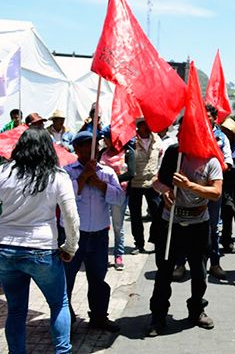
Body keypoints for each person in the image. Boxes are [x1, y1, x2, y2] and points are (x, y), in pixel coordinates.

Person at [0, 128, 80, 354]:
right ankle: (62, 352)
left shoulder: (3, 173)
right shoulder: (56, 175)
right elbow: (71, 217)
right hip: (41, 249)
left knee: (16, 310)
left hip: (5, 249)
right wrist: (70, 247)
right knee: (59, 304)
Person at [147, 133, 223, 336]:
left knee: (199, 273)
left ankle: (197, 310)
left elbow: (216, 193)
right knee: (164, 272)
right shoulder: (173, 154)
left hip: (198, 225)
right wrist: (164, 191)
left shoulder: (211, 160)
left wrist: (189, 186)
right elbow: (156, 181)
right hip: (170, 223)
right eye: (182, 134)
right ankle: (158, 317)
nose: (184, 139)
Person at [63, 130, 124, 332]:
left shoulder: (106, 172)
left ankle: (99, 316)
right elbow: (66, 196)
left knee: (98, 279)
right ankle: (66, 320)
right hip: (73, 236)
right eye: (86, 145)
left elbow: (119, 198)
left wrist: (98, 183)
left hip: (98, 236)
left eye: (94, 145)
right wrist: (83, 177)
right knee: (66, 280)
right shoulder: (67, 171)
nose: (92, 149)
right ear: (78, 149)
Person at [98, 126, 136, 271]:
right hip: (101, 194)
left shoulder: (128, 153)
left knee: (118, 226)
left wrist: (112, 180)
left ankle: (118, 254)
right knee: (102, 225)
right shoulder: (102, 153)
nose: (105, 141)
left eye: (106, 138)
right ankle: (102, 255)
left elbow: (131, 173)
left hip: (119, 194)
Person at [206, 104, 233, 280]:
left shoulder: (222, 137)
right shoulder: (193, 133)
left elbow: (228, 163)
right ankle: (180, 264)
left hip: (213, 189)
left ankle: (214, 264)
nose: (206, 118)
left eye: (209, 116)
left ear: (215, 119)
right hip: (192, 189)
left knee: (213, 228)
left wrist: (214, 170)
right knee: (186, 225)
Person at [128, 119, 162, 255]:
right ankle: (139, 244)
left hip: (152, 183)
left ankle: (157, 240)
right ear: (138, 127)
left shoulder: (157, 140)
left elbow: (161, 159)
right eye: (144, 124)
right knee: (135, 216)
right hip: (135, 183)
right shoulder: (131, 141)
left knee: (158, 214)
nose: (147, 127)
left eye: (148, 124)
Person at [220, 117, 235, 253]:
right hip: (214, 182)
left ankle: (227, 240)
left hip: (230, 185)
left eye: (228, 132)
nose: (225, 134)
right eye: (223, 131)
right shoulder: (217, 146)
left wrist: (229, 166)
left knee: (229, 211)